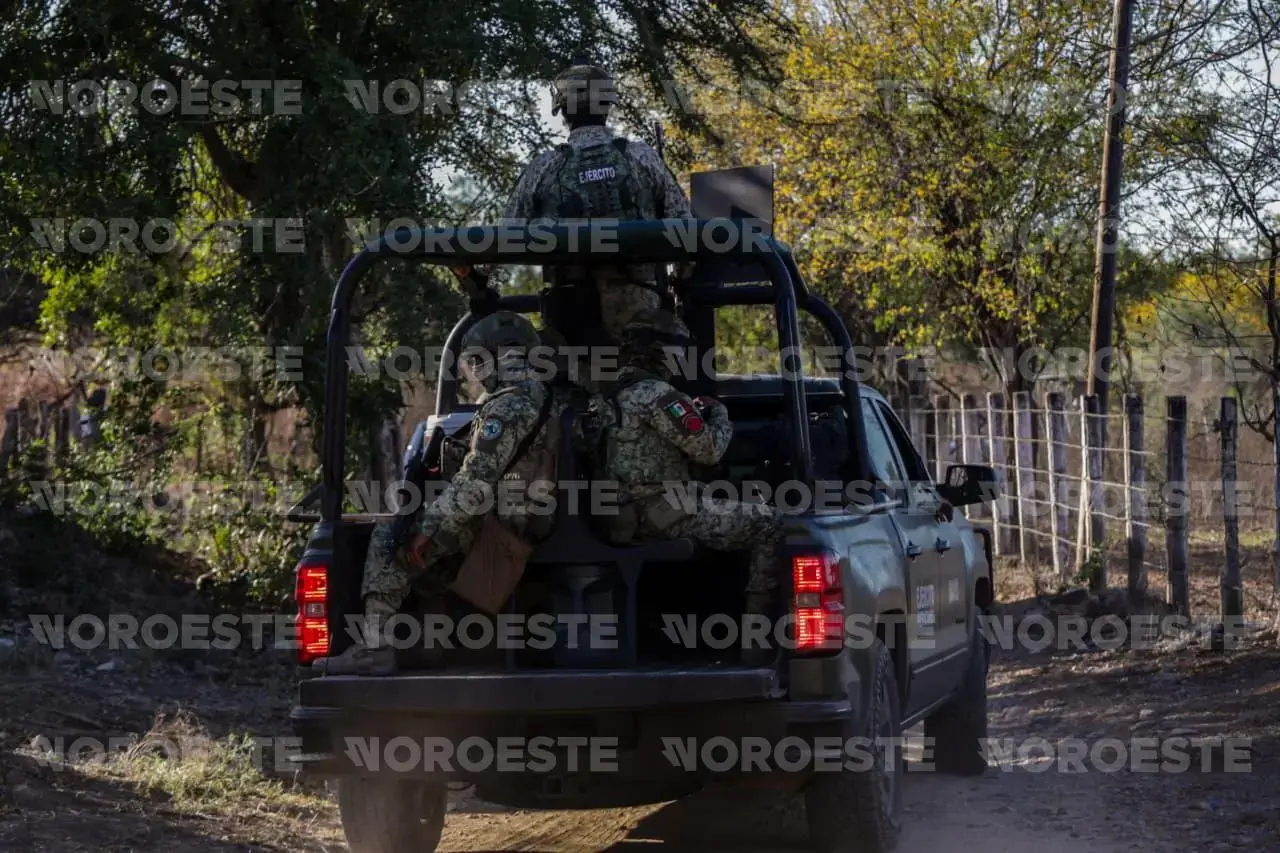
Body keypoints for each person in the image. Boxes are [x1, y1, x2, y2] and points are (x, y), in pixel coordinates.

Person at [313, 312, 566, 675]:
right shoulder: (548, 397)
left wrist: (427, 528)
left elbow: (474, 484)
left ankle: (375, 648)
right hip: (530, 518)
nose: (477, 372)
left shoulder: (508, 406)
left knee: (390, 539)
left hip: (502, 526)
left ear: (500, 355)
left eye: (479, 360)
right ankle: (432, 643)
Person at [599, 309, 785, 661]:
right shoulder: (658, 395)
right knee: (769, 524)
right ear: (660, 351)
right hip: (657, 513)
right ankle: (757, 647)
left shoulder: (606, 391)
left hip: (618, 513)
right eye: (677, 350)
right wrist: (717, 414)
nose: (681, 358)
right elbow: (710, 449)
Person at [463, 61, 693, 345]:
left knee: (570, 384)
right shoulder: (642, 158)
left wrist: (479, 286)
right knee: (649, 383)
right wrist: (682, 281)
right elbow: (686, 232)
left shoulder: (543, 168)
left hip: (569, 319)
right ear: (607, 106)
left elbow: (502, 240)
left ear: (562, 111)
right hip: (643, 318)